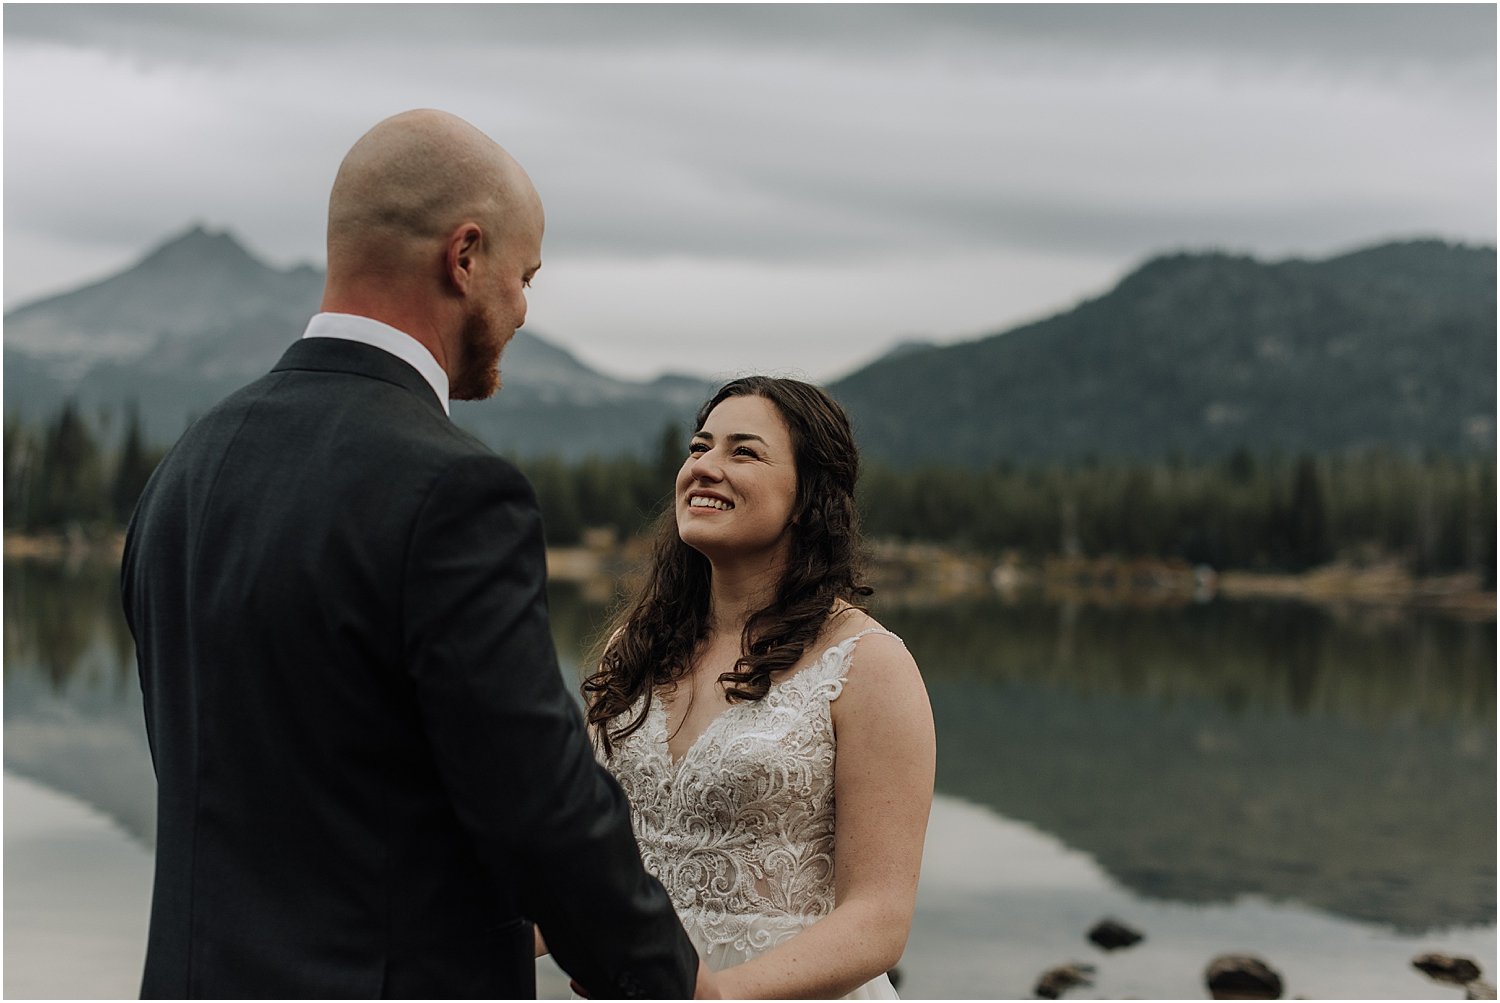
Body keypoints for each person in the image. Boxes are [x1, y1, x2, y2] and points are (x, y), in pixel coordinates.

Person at [120, 109, 715, 1000]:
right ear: (464, 255)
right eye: (524, 277)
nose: (521, 309)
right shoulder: (453, 492)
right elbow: (540, 805)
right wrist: (673, 985)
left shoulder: (187, 468)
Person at [576, 376, 937, 998]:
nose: (705, 468)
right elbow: (583, 859)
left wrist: (716, 994)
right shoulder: (634, 648)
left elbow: (879, 919)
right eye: (698, 447)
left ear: (808, 497)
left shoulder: (869, 665)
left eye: (743, 452)